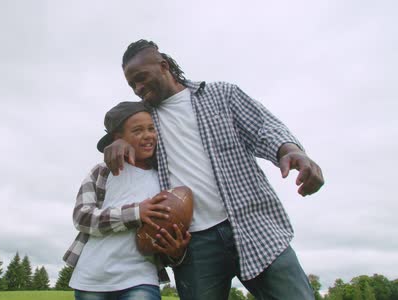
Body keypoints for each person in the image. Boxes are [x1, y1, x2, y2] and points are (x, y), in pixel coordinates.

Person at [104, 40, 325, 300]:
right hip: (192, 244)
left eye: (141, 78)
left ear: (163, 66)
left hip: (254, 225)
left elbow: (265, 129)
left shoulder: (221, 95)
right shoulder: (146, 119)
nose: (138, 88)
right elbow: (126, 135)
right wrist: (118, 139)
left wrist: (292, 152)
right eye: (132, 85)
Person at [63, 101, 190, 300]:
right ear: (118, 138)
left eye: (151, 128)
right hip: (92, 279)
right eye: (138, 130)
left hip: (141, 278)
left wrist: (176, 253)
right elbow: (82, 218)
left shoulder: (164, 178)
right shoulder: (101, 173)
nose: (148, 135)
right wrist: (136, 213)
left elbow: (165, 231)